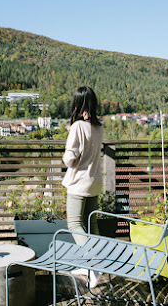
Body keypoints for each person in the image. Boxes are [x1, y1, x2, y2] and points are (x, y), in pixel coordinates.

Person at [62, 86, 103, 287]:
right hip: (94, 182)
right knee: (91, 223)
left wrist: (71, 135)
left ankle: (94, 266)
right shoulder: (98, 126)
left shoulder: (78, 126)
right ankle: (92, 265)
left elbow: (70, 158)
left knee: (75, 224)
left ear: (77, 104)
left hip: (79, 183)